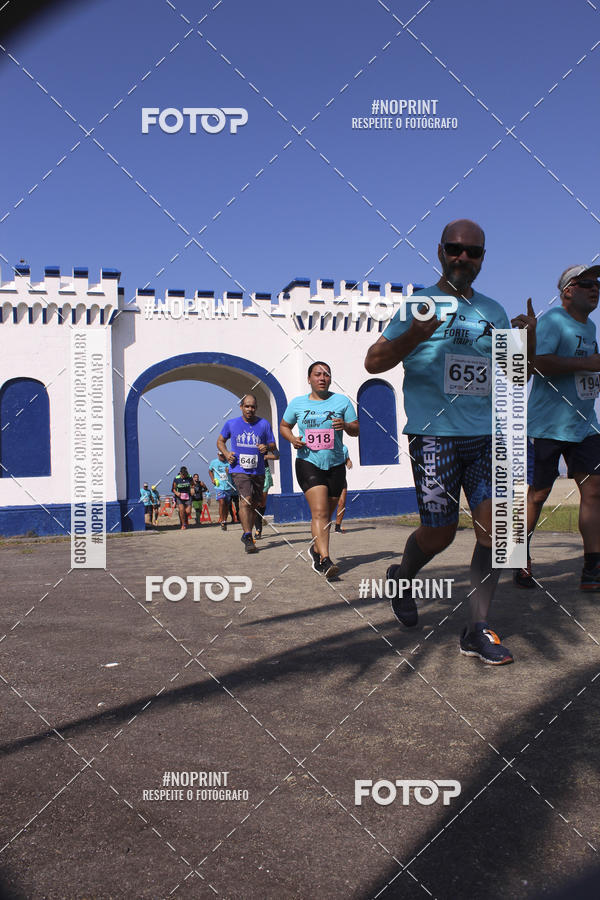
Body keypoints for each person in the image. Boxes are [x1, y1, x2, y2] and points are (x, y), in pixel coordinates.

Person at [365, 219, 536, 665]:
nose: (463, 257)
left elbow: (516, 377)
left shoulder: (493, 311)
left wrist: (526, 343)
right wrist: (414, 335)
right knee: (439, 534)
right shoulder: (418, 305)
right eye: (455, 249)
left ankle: (477, 628)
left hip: (486, 437)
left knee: (499, 533)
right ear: (440, 251)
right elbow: (373, 363)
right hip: (433, 436)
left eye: (472, 252)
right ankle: (402, 576)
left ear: (482, 259)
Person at [515, 264, 600, 592]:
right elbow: (538, 364)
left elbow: (589, 369)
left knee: (593, 490)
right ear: (568, 291)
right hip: (548, 425)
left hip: (585, 424)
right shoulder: (552, 320)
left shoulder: (590, 327)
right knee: (538, 494)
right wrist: (587, 363)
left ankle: (592, 567)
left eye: (597, 284)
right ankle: (519, 555)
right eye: (586, 283)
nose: (595, 288)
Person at [280, 361, 359, 579]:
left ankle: (315, 549)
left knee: (327, 515)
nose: (322, 378)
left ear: (330, 378)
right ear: (309, 379)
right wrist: (293, 439)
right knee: (320, 513)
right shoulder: (297, 403)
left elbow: (356, 430)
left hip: (335, 464)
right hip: (308, 462)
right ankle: (325, 559)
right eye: (317, 374)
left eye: (326, 374)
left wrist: (345, 425)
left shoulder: (342, 401)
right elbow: (284, 426)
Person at [217, 395, 278, 553]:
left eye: (253, 407)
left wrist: (266, 447)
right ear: (241, 407)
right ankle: (248, 535)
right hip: (239, 469)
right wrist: (226, 453)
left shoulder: (263, 424)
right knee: (246, 500)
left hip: (258, 470)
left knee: (255, 504)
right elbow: (220, 441)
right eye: (247, 406)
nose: (250, 409)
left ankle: (247, 534)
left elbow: (273, 444)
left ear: (256, 408)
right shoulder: (231, 424)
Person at [255, 450, 279, 539]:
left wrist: (266, 456)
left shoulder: (266, 444)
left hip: (264, 470)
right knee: (255, 502)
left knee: (262, 502)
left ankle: (260, 519)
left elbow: (277, 455)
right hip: (252, 471)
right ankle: (258, 528)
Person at [208, 450, 235, 531]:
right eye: (221, 455)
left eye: (223, 455)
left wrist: (229, 472)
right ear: (218, 454)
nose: (222, 457)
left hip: (228, 486)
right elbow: (210, 470)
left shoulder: (229, 462)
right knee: (221, 502)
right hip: (219, 486)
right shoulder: (214, 462)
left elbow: (234, 473)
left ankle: (224, 520)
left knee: (227, 505)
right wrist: (212, 479)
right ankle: (222, 520)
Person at [333, 446, 353, 533]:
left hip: (341, 478)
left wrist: (348, 462)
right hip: (328, 479)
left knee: (342, 502)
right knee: (326, 504)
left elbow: (347, 459)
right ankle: (323, 525)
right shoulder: (326, 446)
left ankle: (337, 527)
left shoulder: (344, 448)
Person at [171, 466, 193, 530]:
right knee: (181, 510)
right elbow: (173, 489)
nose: (184, 476)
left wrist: (192, 489)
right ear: (180, 473)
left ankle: (184, 518)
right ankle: (183, 524)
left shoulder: (189, 477)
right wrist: (176, 492)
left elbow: (193, 485)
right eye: (183, 474)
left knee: (188, 512)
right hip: (179, 496)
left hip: (188, 496)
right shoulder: (176, 478)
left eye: (185, 474)